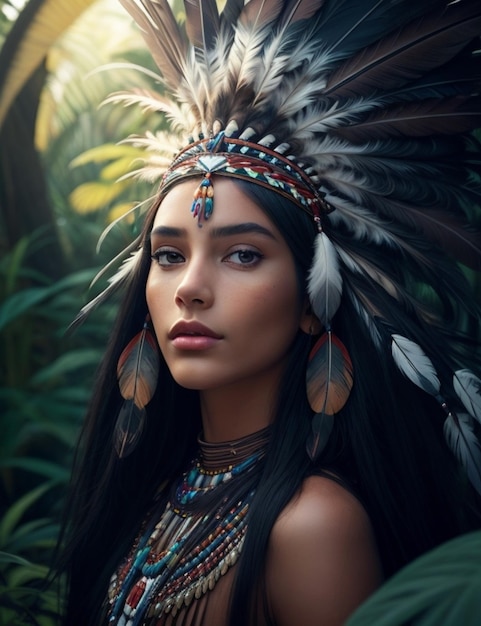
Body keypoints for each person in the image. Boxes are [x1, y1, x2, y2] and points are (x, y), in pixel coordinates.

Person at [57, 1, 481, 625]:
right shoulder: (149, 494)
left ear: (317, 297)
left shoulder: (312, 528)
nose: (190, 289)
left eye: (244, 255)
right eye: (169, 254)